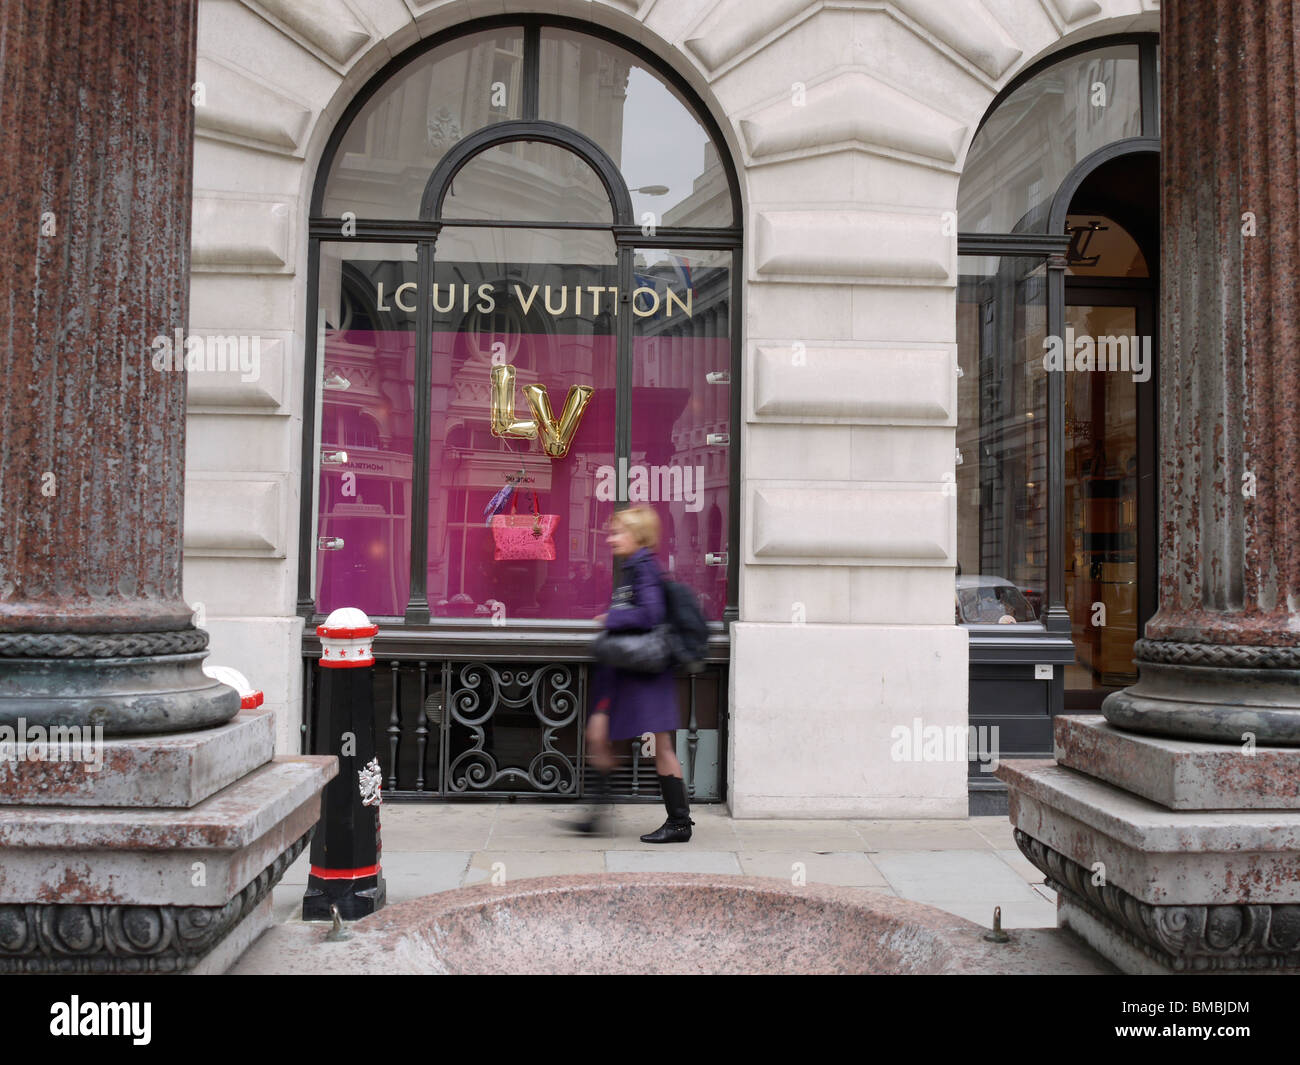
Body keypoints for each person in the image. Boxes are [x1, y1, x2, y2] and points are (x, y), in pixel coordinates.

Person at [572, 506, 693, 842]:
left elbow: (651, 614)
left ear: (637, 535)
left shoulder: (644, 567)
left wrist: (610, 618)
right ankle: (596, 815)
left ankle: (679, 823)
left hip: (646, 675)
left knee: (661, 745)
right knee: (600, 736)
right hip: (630, 672)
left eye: (618, 532)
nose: (611, 538)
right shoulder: (634, 567)